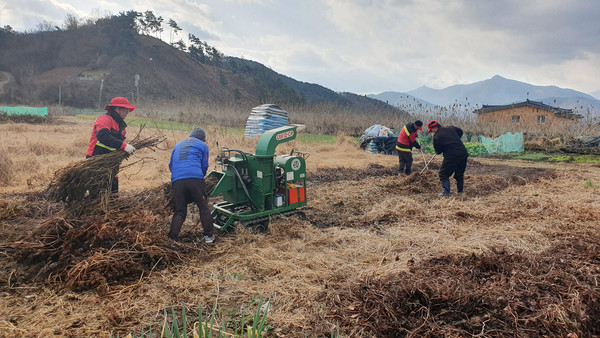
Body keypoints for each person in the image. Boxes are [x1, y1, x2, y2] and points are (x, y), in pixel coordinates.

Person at [168, 127, 215, 243]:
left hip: (177, 180)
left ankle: (172, 238)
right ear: (203, 139)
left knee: (180, 211)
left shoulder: (178, 145)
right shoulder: (203, 146)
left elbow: (170, 165)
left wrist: (179, 175)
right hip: (195, 178)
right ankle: (209, 237)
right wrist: (200, 178)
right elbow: (204, 165)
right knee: (203, 207)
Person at [86, 97, 136, 194]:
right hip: (96, 160)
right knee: (97, 195)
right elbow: (103, 136)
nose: (127, 112)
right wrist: (124, 146)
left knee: (112, 194)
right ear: (117, 109)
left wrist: (124, 151)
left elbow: (116, 145)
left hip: (112, 163)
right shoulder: (104, 119)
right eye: (126, 109)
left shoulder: (121, 127)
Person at [427, 120, 468, 196]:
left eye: (432, 131)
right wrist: (455, 138)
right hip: (463, 153)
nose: (432, 132)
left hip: (452, 155)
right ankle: (460, 192)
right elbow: (460, 131)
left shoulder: (436, 137)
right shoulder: (451, 128)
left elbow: (438, 151)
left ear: (434, 128)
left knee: (443, 174)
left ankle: (446, 193)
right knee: (459, 174)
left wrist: (442, 147)